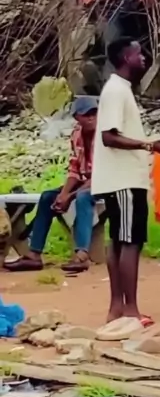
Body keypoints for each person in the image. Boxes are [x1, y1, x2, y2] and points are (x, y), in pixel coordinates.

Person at [91, 38, 160, 324]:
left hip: (120, 179)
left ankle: (117, 308)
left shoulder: (120, 89)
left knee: (119, 241)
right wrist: (149, 146)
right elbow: (109, 137)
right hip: (123, 179)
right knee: (129, 241)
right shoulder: (115, 91)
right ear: (126, 57)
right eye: (138, 53)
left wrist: (150, 142)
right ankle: (129, 309)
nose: (144, 57)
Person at [5, 96, 98, 274]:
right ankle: (34, 254)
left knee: (82, 198)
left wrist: (70, 196)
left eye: (94, 113)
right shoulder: (76, 135)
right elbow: (74, 169)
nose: (91, 117)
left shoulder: (104, 135)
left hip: (105, 182)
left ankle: (82, 255)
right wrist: (63, 194)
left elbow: (101, 175)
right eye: (86, 114)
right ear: (77, 117)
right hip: (84, 180)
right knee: (48, 197)